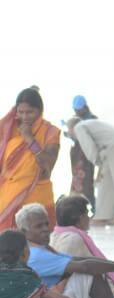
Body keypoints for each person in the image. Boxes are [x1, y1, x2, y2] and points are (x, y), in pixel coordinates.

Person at [19, 203, 114, 298]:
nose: (46, 230)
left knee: (91, 270)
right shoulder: (36, 254)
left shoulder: (37, 249)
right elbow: (84, 266)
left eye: (46, 224)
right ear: (24, 232)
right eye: (39, 226)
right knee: (87, 273)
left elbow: (75, 260)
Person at [65, 117, 114, 226]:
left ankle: (101, 218)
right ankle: (112, 217)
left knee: (104, 184)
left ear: (71, 128)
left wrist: (98, 163)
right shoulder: (89, 123)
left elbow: (89, 149)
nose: (69, 133)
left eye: (68, 130)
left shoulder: (79, 128)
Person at [0, 88, 60, 230]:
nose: (25, 117)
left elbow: (48, 165)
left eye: (30, 112)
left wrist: (29, 139)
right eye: (21, 112)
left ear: (39, 110)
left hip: (38, 197)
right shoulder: (9, 129)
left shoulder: (50, 132)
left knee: (38, 240)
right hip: (9, 195)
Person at [51, 194, 114, 288]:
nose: (89, 218)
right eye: (88, 213)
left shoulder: (55, 235)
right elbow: (93, 268)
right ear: (81, 218)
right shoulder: (73, 239)